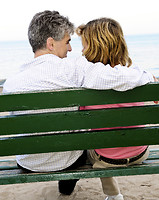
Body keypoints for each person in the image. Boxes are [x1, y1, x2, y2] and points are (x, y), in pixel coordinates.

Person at [3, 11, 154, 197]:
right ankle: (71, 189)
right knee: (80, 141)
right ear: (51, 44)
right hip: (66, 161)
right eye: (67, 42)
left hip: (27, 162)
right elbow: (118, 77)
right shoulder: (74, 68)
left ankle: (66, 192)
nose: (71, 49)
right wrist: (148, 76)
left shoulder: (11, 83)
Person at [76, 17, 152, 200]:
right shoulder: (138, 78)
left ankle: (113, 195)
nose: (81, 50)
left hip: (105, 159)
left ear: (95, 47)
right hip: (140, 152)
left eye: (84, 45)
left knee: (95, 146)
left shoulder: (87, 81)